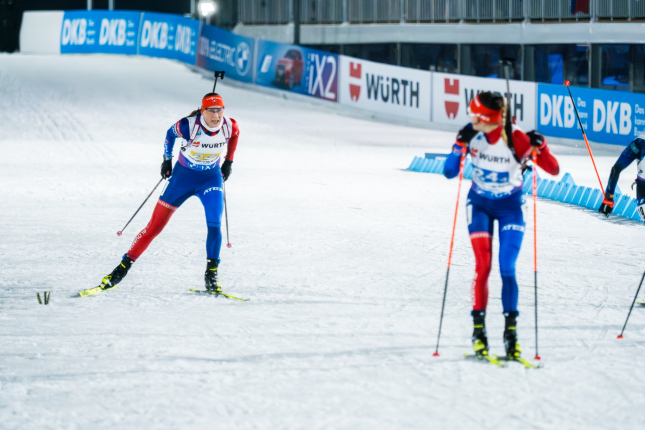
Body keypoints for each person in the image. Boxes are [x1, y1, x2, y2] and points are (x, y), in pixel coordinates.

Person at [442, 92, 559, 359]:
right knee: (483, 265)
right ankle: (479, 331)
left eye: (474, 115)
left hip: (510, 209)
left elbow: (553, 170)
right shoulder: (471, 134)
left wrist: (542, 148)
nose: (470, 119)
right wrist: (458, 146)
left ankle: (510, 333)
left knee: (507, 266)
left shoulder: (517, 139)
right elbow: (449, 172)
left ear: (486, 118)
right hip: (480, 204)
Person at [96, 93, 239, 294]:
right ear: (202, 111)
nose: (216, 116)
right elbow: (169, 134)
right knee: (154, 227)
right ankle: (120, 270)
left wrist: (228, 162)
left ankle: (211, 276)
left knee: (214, 226)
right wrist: (167, 159)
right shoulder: (188, 125)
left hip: (210, 179)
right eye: (211, 111)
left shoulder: (229, 125)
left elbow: (234, 136)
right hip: (182, 179)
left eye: (220, 110)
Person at [598, 135, 645, 221]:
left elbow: (616, 169)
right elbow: (616, 169)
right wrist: (608, 198)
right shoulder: (640, 143)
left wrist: (608, 198)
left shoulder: (639, 143)